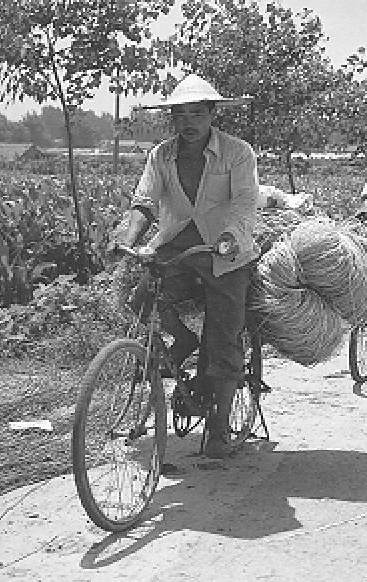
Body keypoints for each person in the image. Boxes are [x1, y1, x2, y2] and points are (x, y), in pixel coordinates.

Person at [111, 74, 259, 458]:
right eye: (181, 115)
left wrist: (229, 238)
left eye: (197, 114)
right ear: (172, 119)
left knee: (223, 339)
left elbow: (245, 204)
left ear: (212, 115)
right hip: (175, 247)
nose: (189, 122)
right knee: (141, 302)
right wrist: (128, 238)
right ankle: (184, 340)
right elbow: (144, 202)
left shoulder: (237, 153)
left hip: (226, 254)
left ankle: (220, 426)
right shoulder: (161, 155)